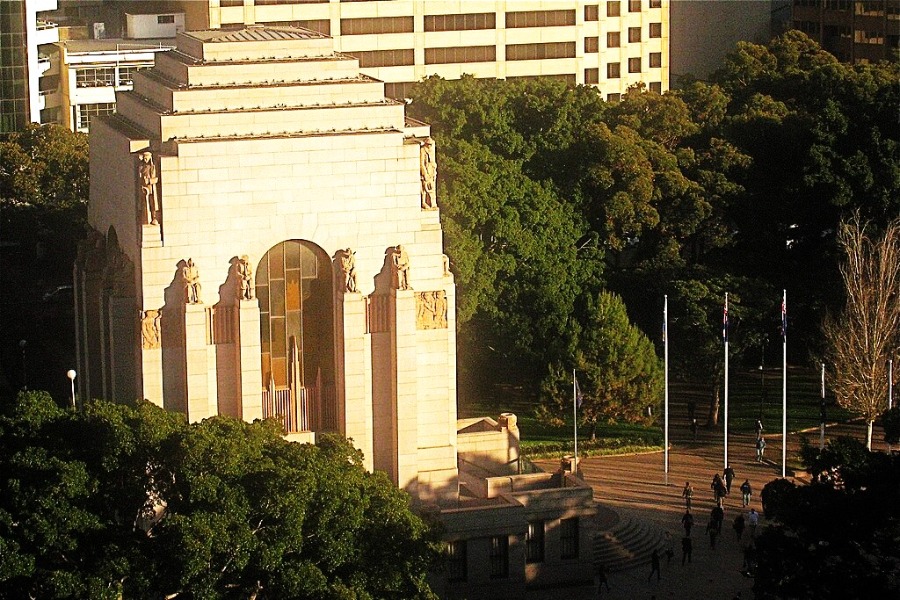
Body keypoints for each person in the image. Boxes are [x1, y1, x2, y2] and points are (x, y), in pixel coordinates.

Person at [138, 151, 160, 225]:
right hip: (144, 188)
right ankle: (146, 217)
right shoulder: (141, 167)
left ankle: (154, 217)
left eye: (146, 158)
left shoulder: (152, 167)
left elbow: (156, 179)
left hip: (151, 188)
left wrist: (149, 181)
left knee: (153, 204)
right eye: (144, 158)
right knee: (144, 204)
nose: (145, 160)